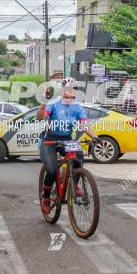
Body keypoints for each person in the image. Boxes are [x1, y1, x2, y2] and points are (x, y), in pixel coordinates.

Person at [36, 81, 99, 215]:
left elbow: (84, 124)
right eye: (66, 90)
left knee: (78, 158)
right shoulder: (53, 104)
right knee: (52, 170)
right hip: (50, 140)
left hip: (67, 140)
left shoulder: (77, 107)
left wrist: (94, 136)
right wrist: (44, 101)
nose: (69, 93)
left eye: (72, 91)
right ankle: (46, 198)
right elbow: (40, 117)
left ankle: (74, 183)